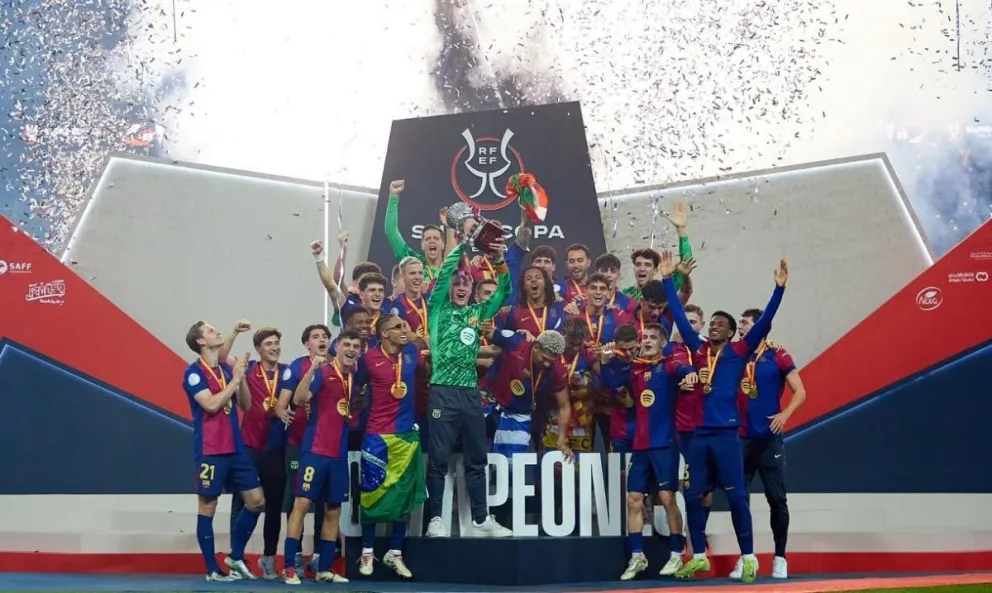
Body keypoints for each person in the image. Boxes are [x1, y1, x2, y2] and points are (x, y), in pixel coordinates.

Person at [660, 250, 788, 582]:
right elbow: (676, 313)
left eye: (720, 324)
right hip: (700, 434)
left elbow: (764, 323)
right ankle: (699, 555)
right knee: (692, 494)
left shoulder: (738, 351)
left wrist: (778, 290)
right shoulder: (698, 350)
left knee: (735, 496)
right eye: (711, 323)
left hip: (728, 434)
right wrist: (665, 279)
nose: (713, 327)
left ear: (731, 333)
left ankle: (748, 558)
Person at [424, 233, 513, 538]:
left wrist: (500, 261)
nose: (461, 287)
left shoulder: (477, 313)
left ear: (472, 289)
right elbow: (446, 269)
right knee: (438, 459)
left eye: (466, 283)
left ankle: (480, 517)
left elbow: (505, 290)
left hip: (470, 393)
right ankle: (434, 518)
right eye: (456, 282)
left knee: (477, 458)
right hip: (442, 391)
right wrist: (463, 242)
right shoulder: (436, 309)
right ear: (448, 285)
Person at [601, 322, 696, 579]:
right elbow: (609, 381)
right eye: (645, 337)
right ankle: (636, 556)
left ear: (663, 343)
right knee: (633, 500)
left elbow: (684, 369)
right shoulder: (635, 368)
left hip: (665, 443)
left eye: (653, 337)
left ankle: (677, 554)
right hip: (640, 445)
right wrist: (605, 360)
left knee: (667, 499)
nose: (648, 340)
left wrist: (689, 374)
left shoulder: (669, 365)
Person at [727, 308, 807, 580]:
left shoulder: (777, 354)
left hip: (768, 438)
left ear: (760, 326)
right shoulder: (734, 352)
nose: (739, 327)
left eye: (744, 323)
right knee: (739, 500)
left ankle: (780, 557)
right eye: (738, 324)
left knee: (777, 499)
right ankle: (745, 558)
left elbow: (801, 391)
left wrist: (785, 415)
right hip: (740, 437)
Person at [181, 320, 264, 581]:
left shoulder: (225, 371)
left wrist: (241, 379)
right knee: (208, 506)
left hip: (235, 448)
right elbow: (212, 405)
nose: (216, 331)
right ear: (201, 342)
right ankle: (212, 571)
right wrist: (236, 378)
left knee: (257, 501)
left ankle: (235, 556)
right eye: (210, 330)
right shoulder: (193, 373)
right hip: (211, 449)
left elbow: (247, 405)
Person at [283, 330, 363, 584]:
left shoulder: (353, 376)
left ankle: (324, 569)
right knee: (302, 505)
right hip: (315, 450)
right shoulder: (323, 371)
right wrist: (311, 370)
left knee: (333, 509)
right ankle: (288, 568)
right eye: (347, 345)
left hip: (339, 453)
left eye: (356, 346)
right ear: (336, 348)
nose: (351, 349)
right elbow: (298, 399)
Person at [352, 315, 427, 578]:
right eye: (397, 327)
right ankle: (367, 551)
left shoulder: (411, 351)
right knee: (371, 493)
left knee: (402, 497)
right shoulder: (368, 358)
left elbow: (426, 361)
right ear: (383, 333)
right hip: (376, 435)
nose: (404, 331)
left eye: (404, 326)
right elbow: (355, 388)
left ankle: (395, 553)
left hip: (405, 437)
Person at [229, 327, 291, 579]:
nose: (274, 347)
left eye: (277, 342)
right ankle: (237, 558)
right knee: (240, 505)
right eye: (268, 343)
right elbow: (222, 357)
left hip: (276, 450)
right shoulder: (249, 369)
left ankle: (268, 559)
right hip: (249, 448)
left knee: (274, 508)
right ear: (258, 349)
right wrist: (234, 332)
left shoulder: (287, 372)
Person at [274, 324, 331, 577]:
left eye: (325, 336)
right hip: (299, 442)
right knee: (296, 497)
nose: (322, 340)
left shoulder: (336, 366)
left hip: (326, 444)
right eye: (316, 337)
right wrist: (281, 412)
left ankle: (320, 555)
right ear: (306, 344)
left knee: (324, 499)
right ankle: (294, 553)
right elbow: (282, 403)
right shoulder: (297, 367)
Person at [486, 328, 573, 460]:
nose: (546, 363)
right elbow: (488, 332)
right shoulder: (516, 342)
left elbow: (564, 406)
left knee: (510, 466)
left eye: (551, 360)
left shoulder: (556, 370)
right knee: (473, 454)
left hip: (518, 414)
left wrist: (561, 439)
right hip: (488, 402)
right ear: (536, 346)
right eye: (544, 358)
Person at [623, 201, 693, 301]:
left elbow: (686, 263)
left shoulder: (663, 291)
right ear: (634, 268)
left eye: (647, 265)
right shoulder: (626, 294)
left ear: (655, 270)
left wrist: (681, 230)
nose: (642, 268)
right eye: (638, 264)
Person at [384, 179, 446, 288]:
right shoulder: (414, 263)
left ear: (443, 244)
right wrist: (394, 196)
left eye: (436, 238)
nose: (432, 240)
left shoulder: (450, 267)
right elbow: (391, 231)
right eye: (427, 239)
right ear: (422, 245)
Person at [500, 266, 565, 336]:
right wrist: (519, 336)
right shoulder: (515, 313)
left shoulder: (560, 307)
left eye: (538, 277)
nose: (533, 280)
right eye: (528, 278)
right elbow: (508, 341)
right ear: (523, 286)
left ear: (545, 283)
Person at [389, 256, 429, 339]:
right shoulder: (397, 304)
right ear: (403, 277)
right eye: (412, 273)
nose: (417, 277)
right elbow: (404, 335)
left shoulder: (429, 299)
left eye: (420, 273)